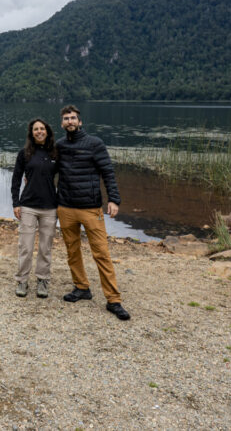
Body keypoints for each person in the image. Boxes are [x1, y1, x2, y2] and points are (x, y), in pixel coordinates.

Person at [55, 104, 131, 320]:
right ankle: (81, 288)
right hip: (66, 207)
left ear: (80, 122)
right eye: (66, 118)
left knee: (101, 253)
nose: (70, 121)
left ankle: (113, 300)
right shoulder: (59, 145)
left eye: (73, 118)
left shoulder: (95, 144)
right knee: (72, 250)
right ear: (62, 123)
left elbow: (107, 172)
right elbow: (48, 168)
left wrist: (114, 199)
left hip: (90, 208)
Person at [11, 118, 59, 298]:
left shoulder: (55, 153)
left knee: (45, 248)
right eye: (36, 129)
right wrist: (15, 203)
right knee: (26, 247)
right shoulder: (24, 154)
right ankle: (22, 281)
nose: (39, 131)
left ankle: (42, 280)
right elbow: (16, 179)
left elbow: (63, 180)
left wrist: (60, 203)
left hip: (50, 208)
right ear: (32, 133)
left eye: (42, 128)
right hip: (28, 206)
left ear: (47, 131)